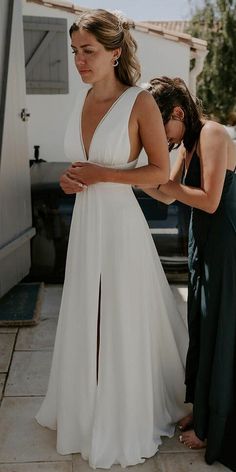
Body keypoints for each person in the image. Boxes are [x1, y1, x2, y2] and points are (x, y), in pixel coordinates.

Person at [35, 12, 190, 469]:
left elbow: (160, 171)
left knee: (118, 317)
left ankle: (123, 416)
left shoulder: (139, 102)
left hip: (121, 226)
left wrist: (104, 174)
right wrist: (70, 181)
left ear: (115, 52)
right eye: (75, 52)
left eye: (89, 51)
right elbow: (80, 167)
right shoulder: (82, 99)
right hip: (87, 222)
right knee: (87, 315)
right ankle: (87, 411)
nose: (79, 61)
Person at [141, 76, 236, 471]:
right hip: (203, 245)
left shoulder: (212, 133)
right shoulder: (189, 144)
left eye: (161, 128)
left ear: (177, 113)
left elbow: (210, 201)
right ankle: (201, 409)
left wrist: (163, 177)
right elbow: (166, 192)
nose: (161, 139)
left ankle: (215, 426)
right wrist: (126, 176)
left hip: (226, 246)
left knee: (219, 333)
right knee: (200, 327)